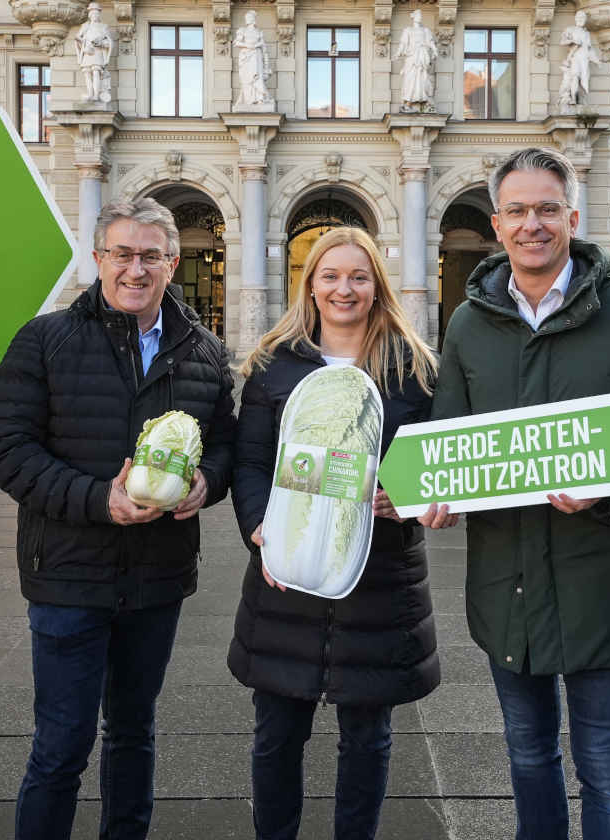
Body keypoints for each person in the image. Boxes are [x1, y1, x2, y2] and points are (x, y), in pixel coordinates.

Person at [421, 147, 610, 840]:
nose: (531, 224)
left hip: (603, 583)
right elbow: (451, 439)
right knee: (529, 757)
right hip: (507, 586)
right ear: (497, 223)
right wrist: (438, 493)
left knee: (606, 769)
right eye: (516, 210)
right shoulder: (469, 323)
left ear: (573, 215)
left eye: (546, 209)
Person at [0, 197, 237, 840]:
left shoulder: (203, 351)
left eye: (150, 255)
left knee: (133, 733)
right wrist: (99, 500)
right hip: (68, 573)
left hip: (157, 577)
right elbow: (4, 448)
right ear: (97, 259)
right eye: (121, 253)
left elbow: (230, 444)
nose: (135, 268)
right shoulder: (47, 339)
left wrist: (209, 481)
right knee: (61, 743)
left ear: (173, 264)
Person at [229, 227, 441, 840]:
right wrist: (258, 528)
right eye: (330, 276)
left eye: (358, 276)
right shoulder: (275, 365)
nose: (343, 288)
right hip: (285, 572)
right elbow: (249, 463)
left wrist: (411, 496)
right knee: (275, 734)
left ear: (377, 287)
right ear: (310, 286)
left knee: (367, 738)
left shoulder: (415, 369)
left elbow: (434, 463)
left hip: (380, 577)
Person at [394, 9, 436, 109]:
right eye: (418, 15)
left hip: (422, 56)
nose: (420, 17)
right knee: (410, 78)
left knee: (423, 78)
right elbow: (403, 43)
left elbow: (430, 42)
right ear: (414, 17)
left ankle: (424, 100)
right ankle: (408, 101)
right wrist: (398, 53)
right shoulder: (408, 30)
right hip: (411, 57)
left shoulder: (425, 30)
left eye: (421, 15)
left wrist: (435, 51)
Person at [74, 1, 113, 103]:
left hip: (98, 52)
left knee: (96, 72)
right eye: (93, 13)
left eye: (97, 13)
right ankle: (90, 94)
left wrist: (100, 43)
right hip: (87, 52)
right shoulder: (85, 26)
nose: (95, 15)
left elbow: (109, 42)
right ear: (90, 15)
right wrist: (82, 42)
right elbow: (77, 37)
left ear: (99, 15)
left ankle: (96, 95)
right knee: (87, 73)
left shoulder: (103, 27)